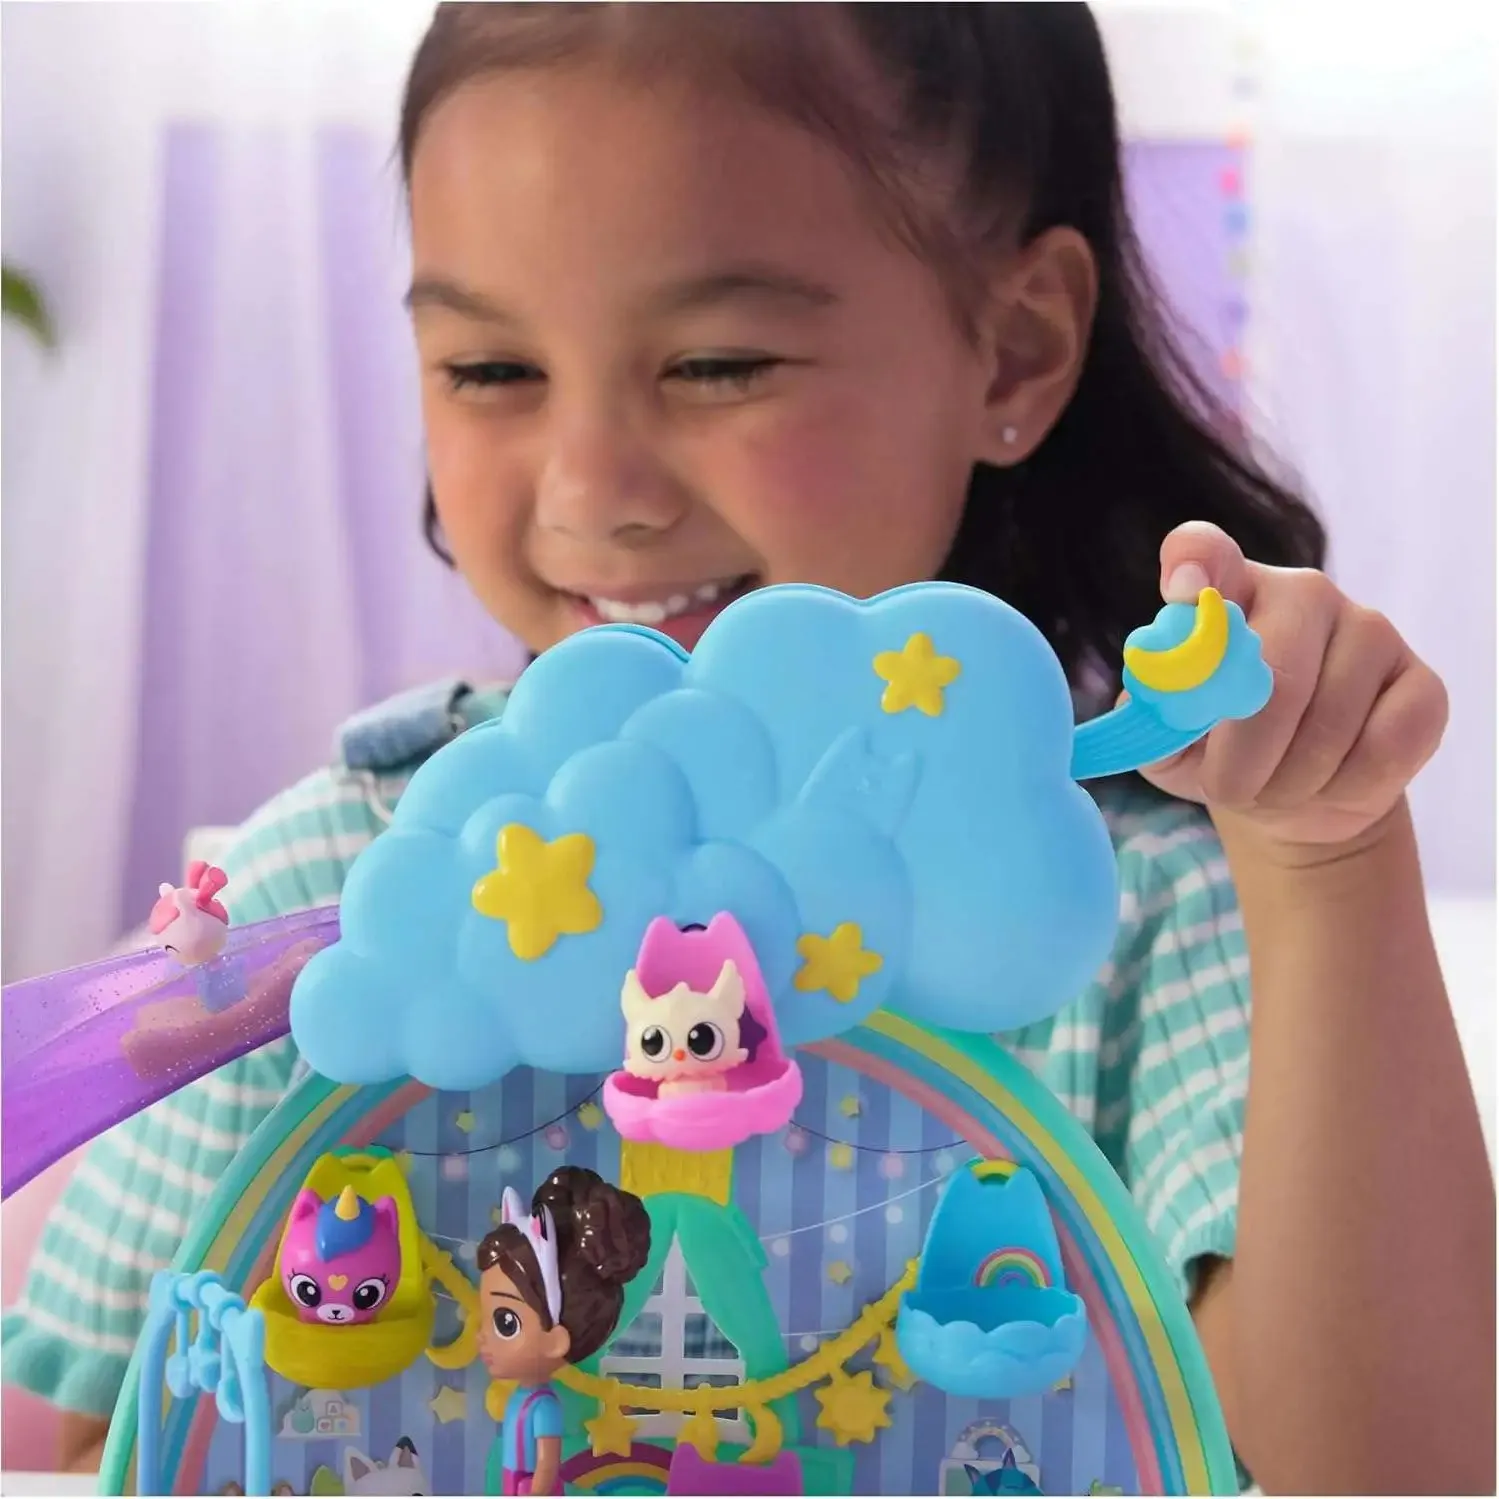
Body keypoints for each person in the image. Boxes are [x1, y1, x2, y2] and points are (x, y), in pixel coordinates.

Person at [5, 6, 1491, 1492]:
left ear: (1013, 348)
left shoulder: (1131, 914)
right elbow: (102, 1437)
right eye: (490, 369)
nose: (591, 488)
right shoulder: (332, 890)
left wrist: (1324, 860)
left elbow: (1389, 1469)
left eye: (716, 363)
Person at [477, 1169, 651, 1496]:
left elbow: (547, 1463)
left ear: (556, 1341)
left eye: (505, 1323)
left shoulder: (544, 1406)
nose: (481, 1336)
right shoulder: (522, 1398)